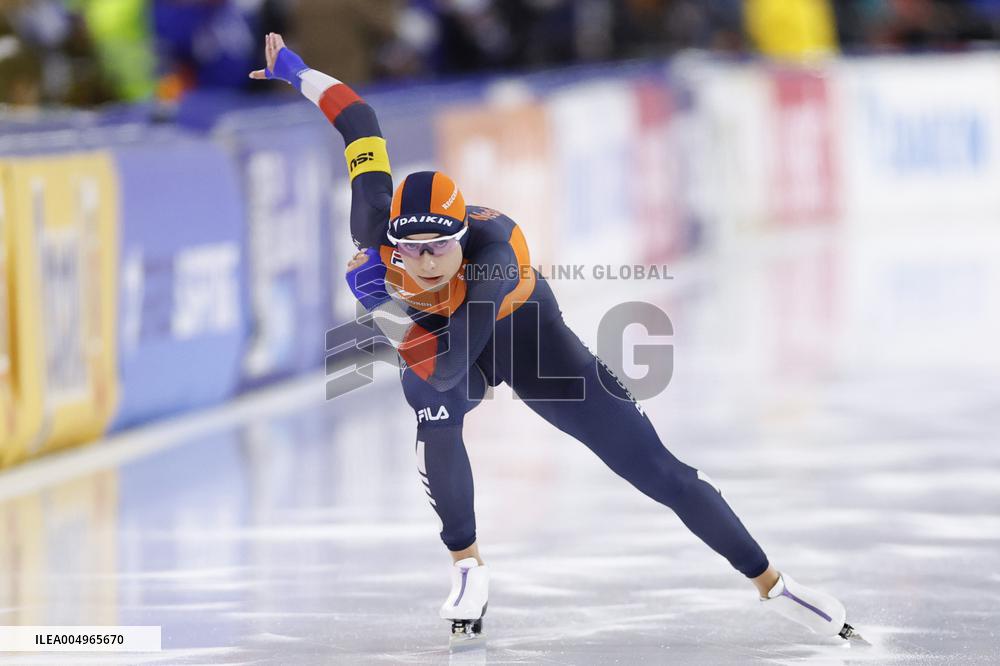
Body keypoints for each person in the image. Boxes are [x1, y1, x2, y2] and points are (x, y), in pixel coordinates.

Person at [250, 32, 859, 643]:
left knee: (659, 471)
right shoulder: (372, 222)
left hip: (528, 342)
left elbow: (450, 360)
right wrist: (297, 69)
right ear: (393, 240)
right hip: (443, 335)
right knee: (434, 414)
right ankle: (467, 566)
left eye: (441, 246)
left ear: (462, 237)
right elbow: (360, 121)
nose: (428, 259)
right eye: (413, 250)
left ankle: (774, 583)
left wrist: (383, 305)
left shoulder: (494, 258)